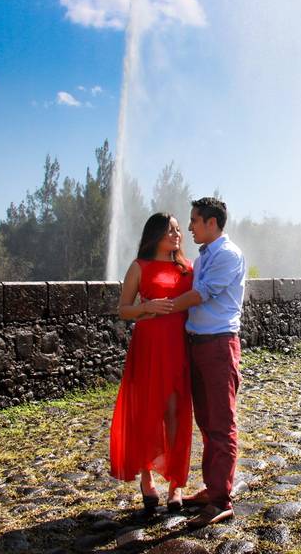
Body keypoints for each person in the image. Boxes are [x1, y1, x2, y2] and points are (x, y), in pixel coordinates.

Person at [168, 197, 246, 527]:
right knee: (206, 421)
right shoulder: (204, 256)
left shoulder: (227, 254)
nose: (189, 228)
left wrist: (160, 305)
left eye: (194, 221)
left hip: (217, 345)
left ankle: (220, 500)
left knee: (221, 423)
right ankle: (213, 487)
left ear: (211, 223)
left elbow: (202, 295)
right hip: (199, 343)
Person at [109, 213, 194, 513]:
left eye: (179, 230)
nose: (177, 235)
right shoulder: (139, 266)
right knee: (147, 411)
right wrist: (147, 307)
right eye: (170, 230)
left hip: (177, 348)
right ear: (155, 234)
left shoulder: (186, 269)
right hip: (147, 348)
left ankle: (176, 484)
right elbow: (123, 310)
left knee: (175, 413)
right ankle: (147, 479)